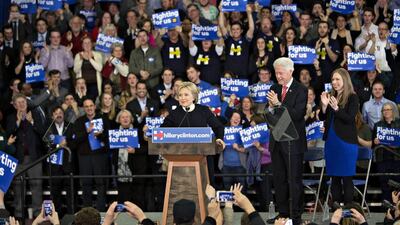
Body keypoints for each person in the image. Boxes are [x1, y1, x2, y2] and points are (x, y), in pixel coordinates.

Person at [265, 57, 307, 225]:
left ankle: (295, 215)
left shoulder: (301, 89)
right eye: (276, 73)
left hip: (293, 143)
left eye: (281, 73)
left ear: (291, 71)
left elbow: (298, 114)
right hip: (276, 140)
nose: (278, 76)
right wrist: (270, 107)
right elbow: (269, 114)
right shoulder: (274, 88)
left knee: (294, 180)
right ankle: (282, 214)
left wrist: (278, 104)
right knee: (279, 179)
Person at [161, 82, 225, 184]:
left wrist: (219, 139)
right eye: (180, 95)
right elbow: (162, 132)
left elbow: (218, 126)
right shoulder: (174, 113)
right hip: (181, 159)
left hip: (203, 157)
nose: (182, 98)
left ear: (194, 96)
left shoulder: (203, 110)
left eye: (186, 95)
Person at [319, 68, 359, 205]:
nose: (334, 82)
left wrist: (336, 108)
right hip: (331, 142)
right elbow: (323, 117)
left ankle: (348, 212)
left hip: (346, 143)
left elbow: (349, 118)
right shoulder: (331, 96)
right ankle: (336, 211)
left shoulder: (352, 97)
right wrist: (324, 107)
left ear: (345, 80)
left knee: (346, 178)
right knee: (334, 177)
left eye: (337, 79)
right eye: (333, 79)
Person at [6, 94, 44, 219]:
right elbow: (8, 134)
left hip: (34, 158)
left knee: (36, 185)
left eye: (23, 102)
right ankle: (18, 215)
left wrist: (31, 122)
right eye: (19, 102)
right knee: (18, 187)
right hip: (18, 159)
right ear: (15, 105)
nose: (22, 104)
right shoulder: (11, 118)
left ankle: (37, 214)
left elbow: (42, 133)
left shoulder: (35, 115)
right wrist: (17, 122)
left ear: (27, 103)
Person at [74, 98, 110, 211]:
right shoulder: (79, 121)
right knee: (86, 184)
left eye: (91, 105)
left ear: (95, 106)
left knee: (101, 184)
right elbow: (76, 139)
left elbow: (109, 137)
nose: (89, 108)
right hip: (84, 157)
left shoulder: (103, 118)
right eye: (86, 106)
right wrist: (87, 131)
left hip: (100, 156)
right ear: (84, 108)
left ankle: (101, 212)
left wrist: (100, 135)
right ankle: (87, 212)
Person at [372, 102, 400, 201]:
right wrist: (375, 142)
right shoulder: (377, 125)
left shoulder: (399, 123)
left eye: (388, 109)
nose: (386, 112)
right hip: (382, 159)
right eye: (384, 110)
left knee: (397, 184)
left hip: (397, 158)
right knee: (385, 185)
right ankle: (386, 209)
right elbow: (372, 144)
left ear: (393, 111)